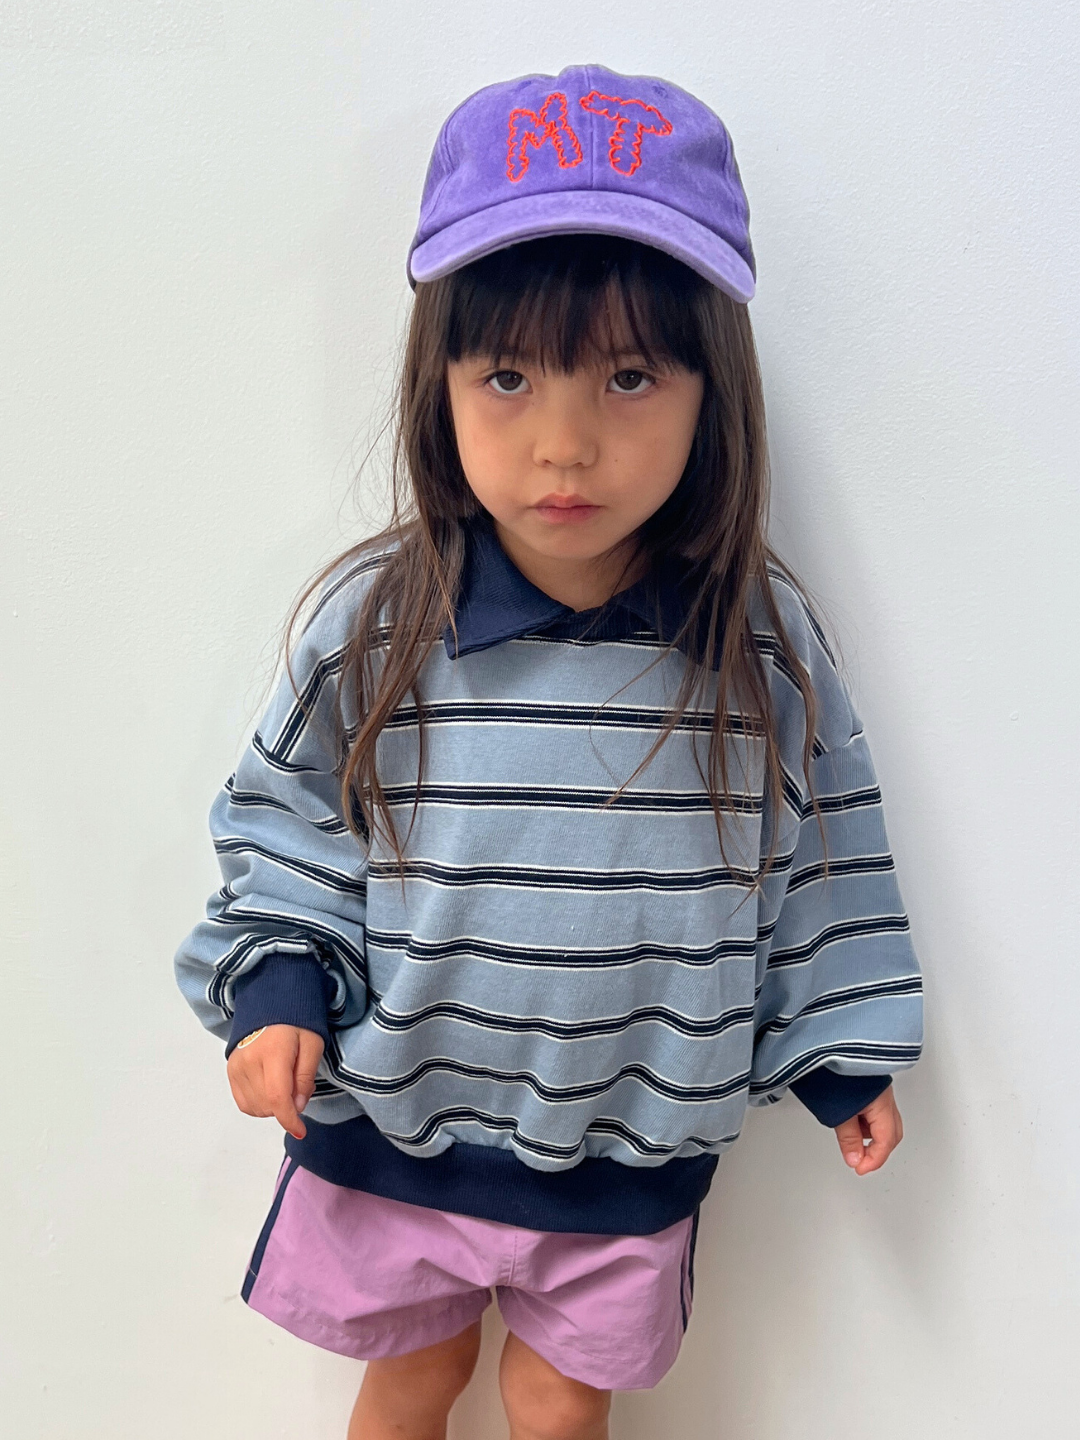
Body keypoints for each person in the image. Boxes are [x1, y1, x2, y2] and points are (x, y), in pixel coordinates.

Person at [174, 63, 923, 1440]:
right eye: (507, 375)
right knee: (408, 1380)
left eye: (631, 375)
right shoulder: (379, 625)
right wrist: (277, 986)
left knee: (560, 1404)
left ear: (712, 386)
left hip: (624, 1145)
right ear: (441, 380)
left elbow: (822, 847)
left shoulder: (756, 643)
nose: (564, 442)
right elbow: (286, 826)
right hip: (396, 1121)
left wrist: (840, 1050)